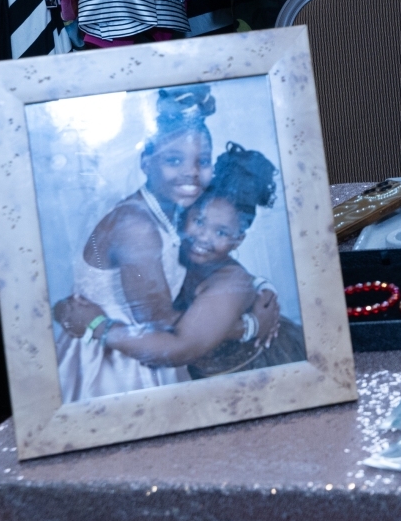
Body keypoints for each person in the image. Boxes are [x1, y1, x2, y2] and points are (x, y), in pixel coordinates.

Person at [53, 89, 278, 401]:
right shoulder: (137, 228)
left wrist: (258, 286)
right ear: (146, 162)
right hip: (115, 360)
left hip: (146, 347)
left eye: (202, 161)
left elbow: (208, 257)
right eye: (174, 160)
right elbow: (167, 327)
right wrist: (248, 326)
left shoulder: (179, 212)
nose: (191, 173)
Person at [58, 142, 306, 380]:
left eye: (221, 232)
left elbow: (181, 343)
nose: (204, 237)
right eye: (199, 221)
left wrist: (98, 326)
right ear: (185, 214)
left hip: (232, 370)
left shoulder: (229, 282)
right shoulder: (178, 249)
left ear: (237, 240)